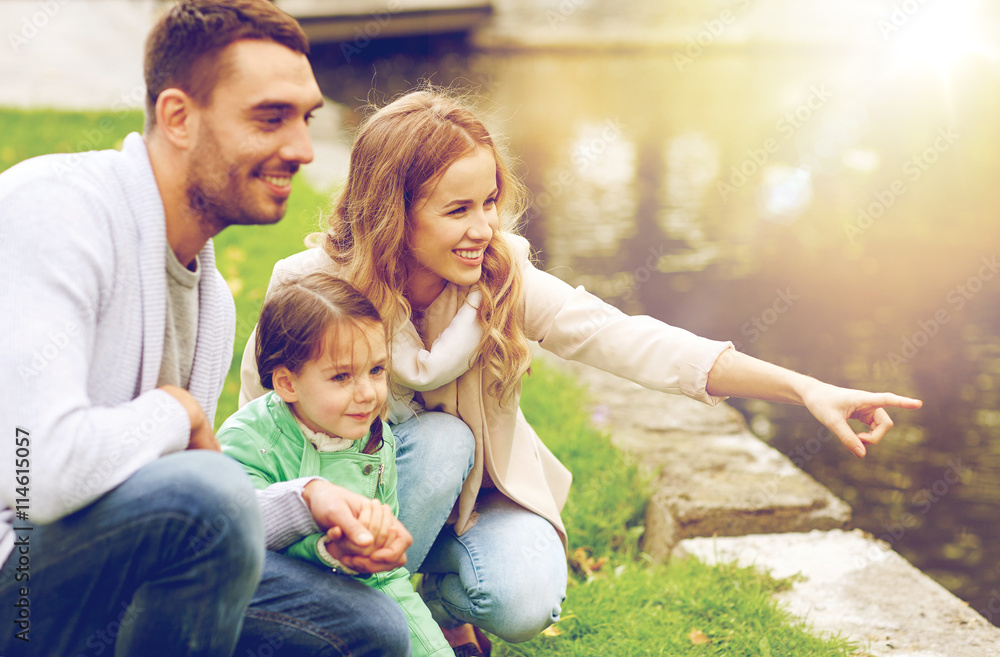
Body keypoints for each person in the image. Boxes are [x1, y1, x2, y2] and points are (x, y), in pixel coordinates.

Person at [238, 90, 923, 652]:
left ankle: (432, 600)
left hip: (475, 504)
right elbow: (260, 428)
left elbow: (628, 339)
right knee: (442, 441)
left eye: (489, 202)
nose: (483, 227)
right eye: (457, 210)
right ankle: (363, 612)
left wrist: (805, 387)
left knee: (526, 598)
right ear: (396, 212)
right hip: (340, 516)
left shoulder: (498, 277)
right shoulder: (310, 288)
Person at [0, 1, 432, 655]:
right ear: (178, 117)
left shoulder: (210, 301)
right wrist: (175, 410)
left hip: (100, 576)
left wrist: (309, 499)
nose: (302, 150)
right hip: (19, 585)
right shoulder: (57, 212)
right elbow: (38, 473)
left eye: (306, 118)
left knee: (368, 630)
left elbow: (192, 519)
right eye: (269, 118)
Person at [218, 273, 455, 657]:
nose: (368, 394)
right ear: (287, 383)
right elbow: (238, 554)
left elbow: (386, 577)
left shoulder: (376, 440)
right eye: (342, 376)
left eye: (376, 370)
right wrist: (326, 550)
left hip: (347, 597)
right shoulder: (249, 442)